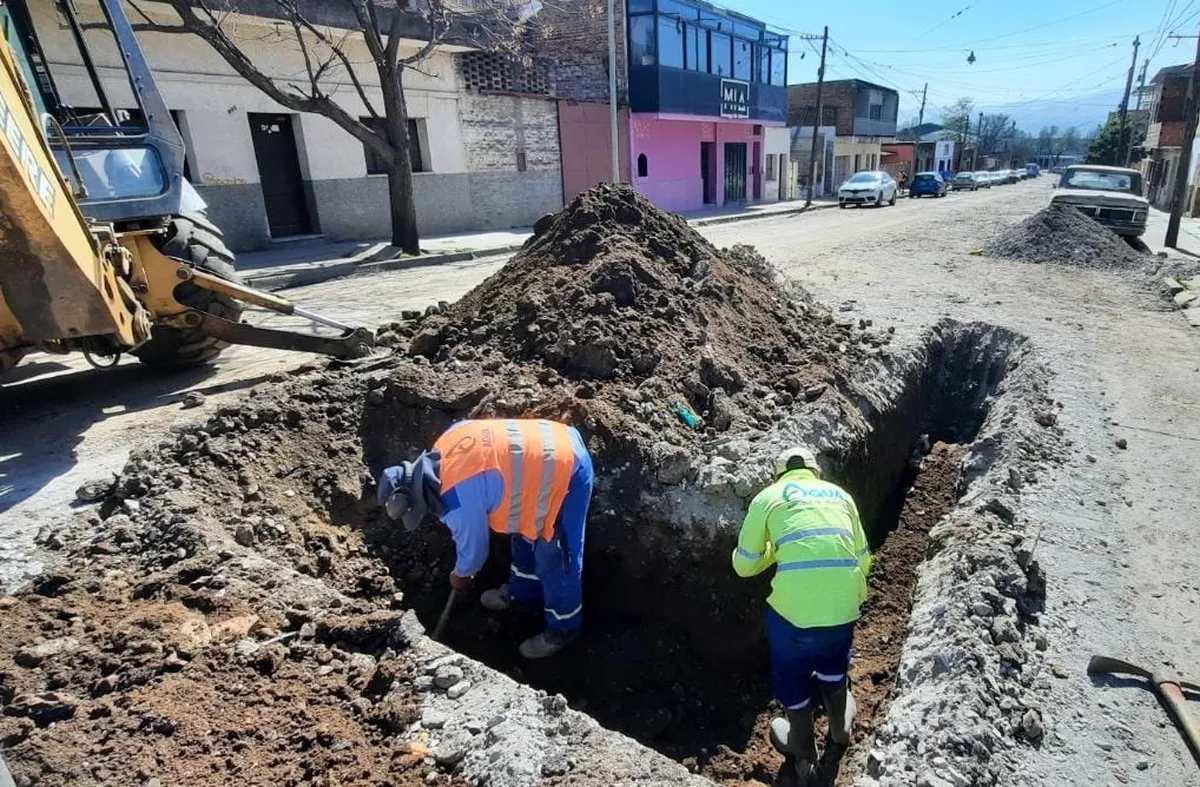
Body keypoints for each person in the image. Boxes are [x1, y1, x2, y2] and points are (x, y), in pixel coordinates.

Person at [377, 418, 594, 659]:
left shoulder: (456, 502)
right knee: (522, 538)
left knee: (555, 557)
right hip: (542, 462)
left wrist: (460, 575)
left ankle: (562, 629)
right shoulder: (445, 442)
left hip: (567, 472)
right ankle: (521, 595)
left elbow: (475, 553)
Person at [732, 447, 872, 786]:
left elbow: (744, 565)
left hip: (793, 617)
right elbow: (865, 560)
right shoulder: (842, 496)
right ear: (815, 472)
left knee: (792, 671)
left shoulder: (768, 498)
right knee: (833, 660)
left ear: (780, 474)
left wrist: (774, 551)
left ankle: (803, 750)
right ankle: (839, 729)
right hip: (843, 608)